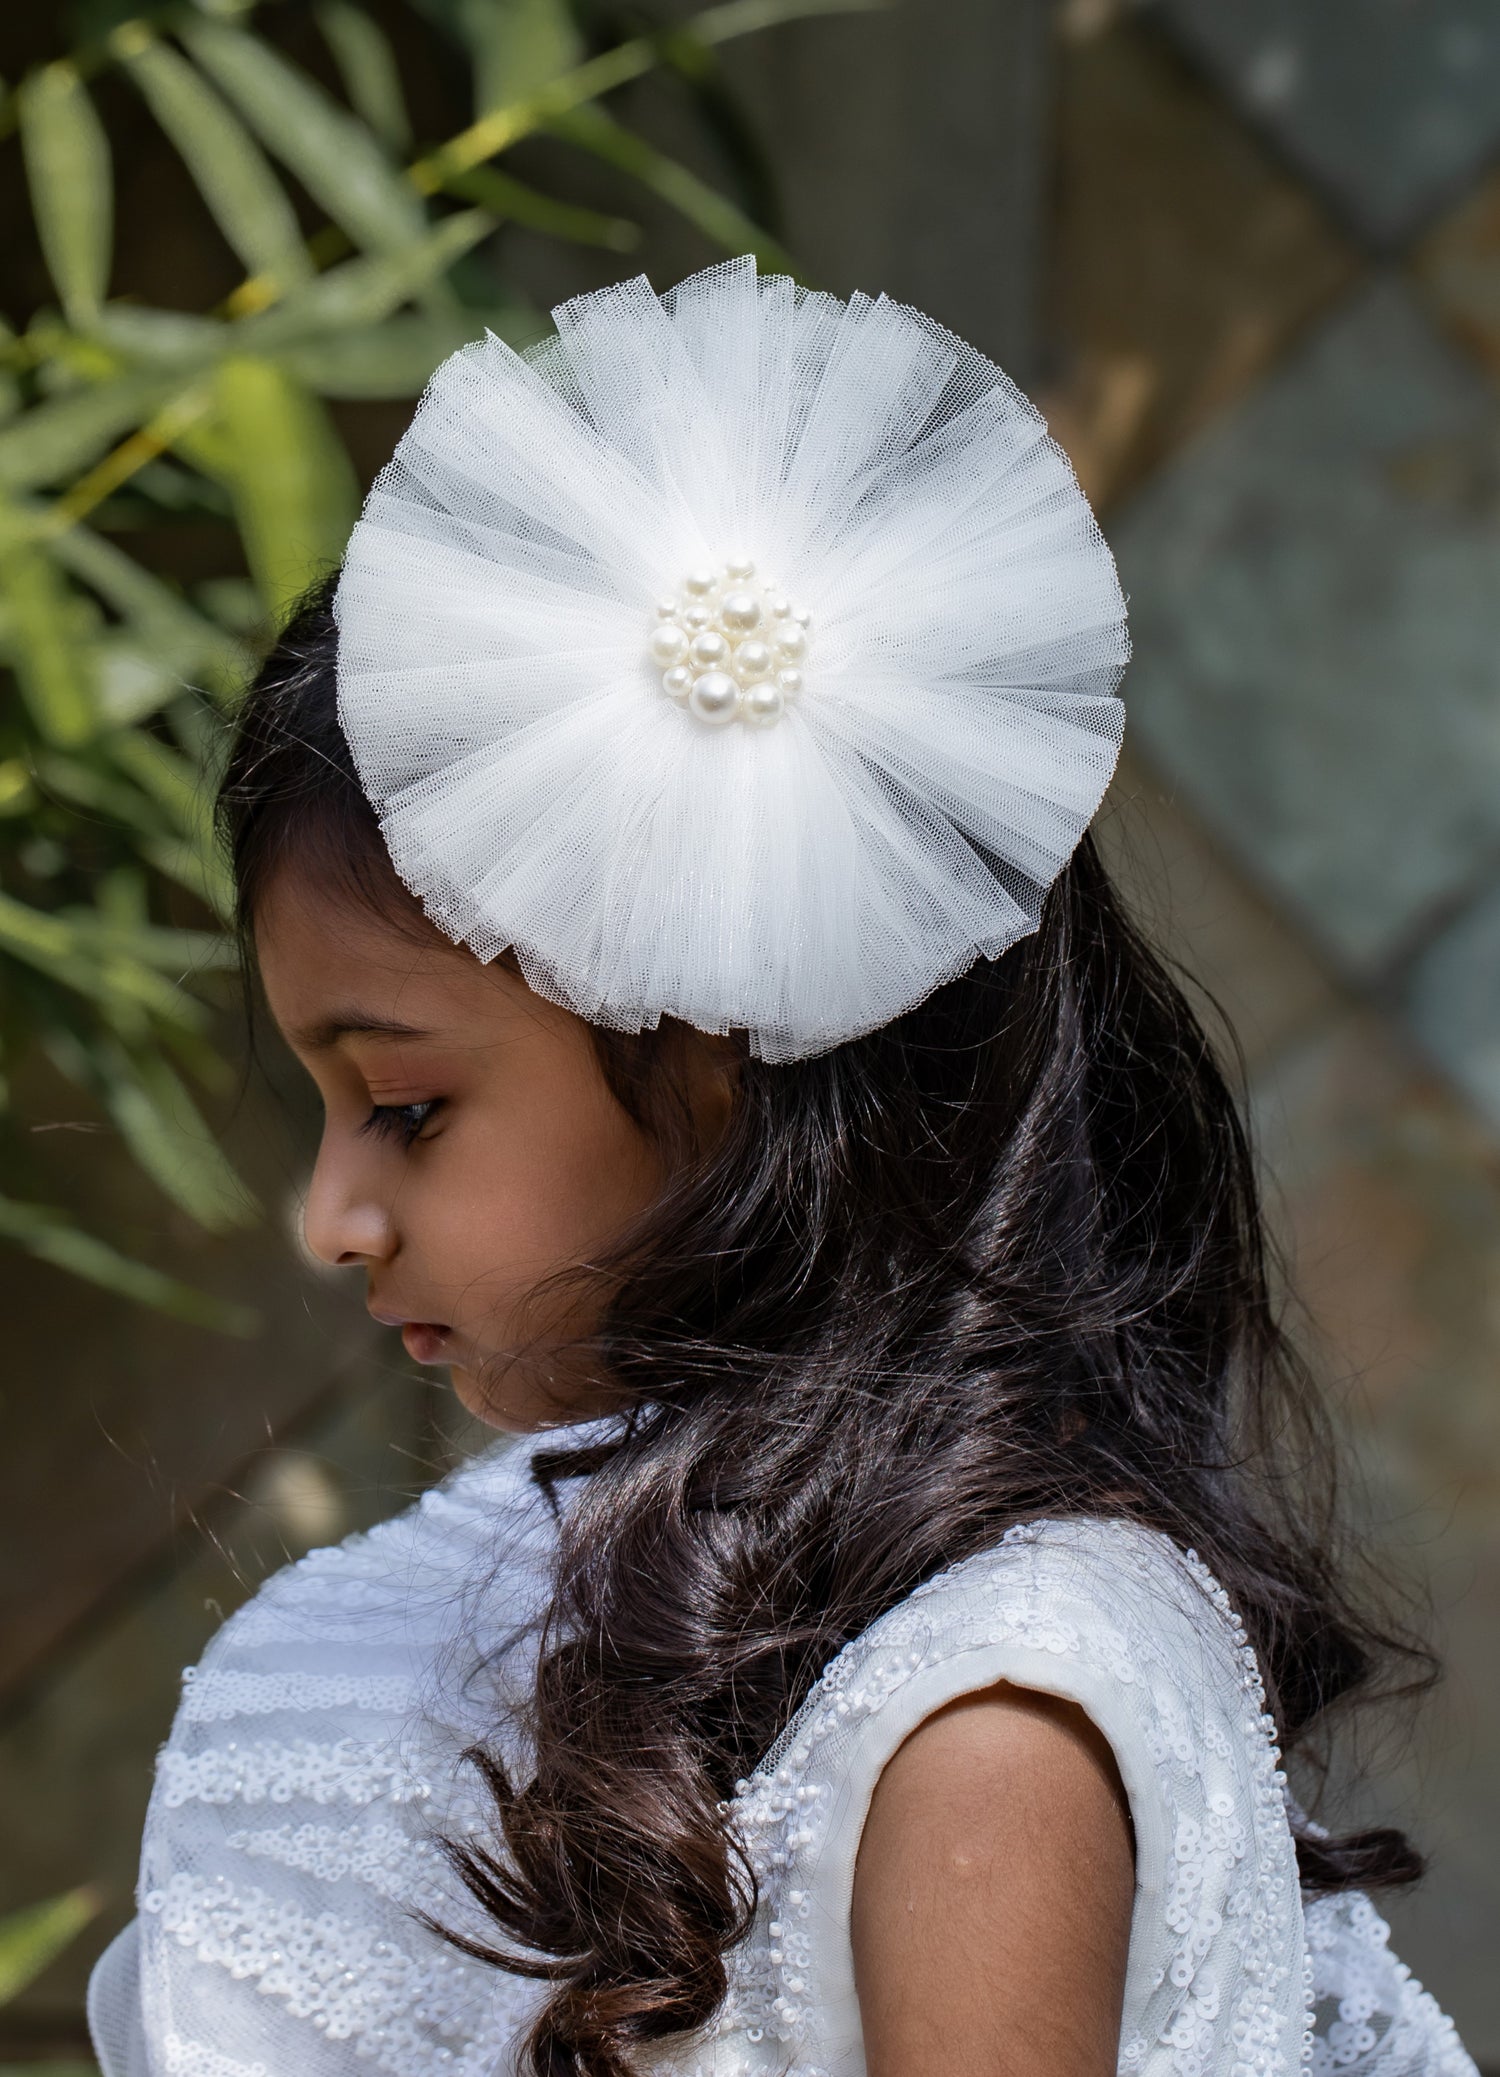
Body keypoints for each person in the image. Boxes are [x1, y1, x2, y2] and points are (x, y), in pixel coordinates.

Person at [89, 259, 1476, 2077]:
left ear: (718, 1050)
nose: (337, 1218)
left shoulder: (991, 1722)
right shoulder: (464, 1588)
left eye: (409, 1107)